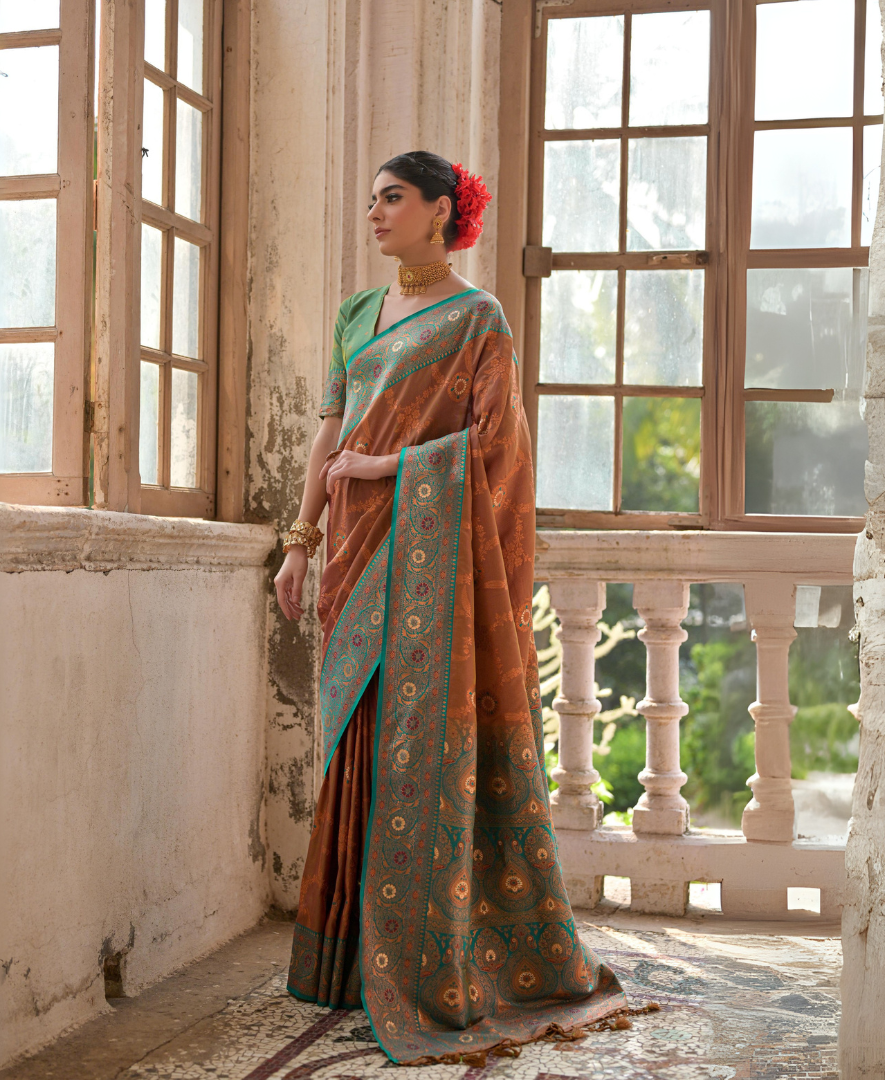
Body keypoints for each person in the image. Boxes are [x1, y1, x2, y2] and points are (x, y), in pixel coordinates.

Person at [273, 151, 626, 1066]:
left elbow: (495, 446)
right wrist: (298, 543)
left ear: (441, 211)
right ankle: (351, 964)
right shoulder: (361, 312)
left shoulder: (478, 319)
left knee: (416, 746)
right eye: (370, 198)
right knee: (357, 742)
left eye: (392, 198)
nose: (374, 213)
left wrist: (394, 468)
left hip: (425, 556)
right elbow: (328, 432)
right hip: (352, 552)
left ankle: (426, 962)